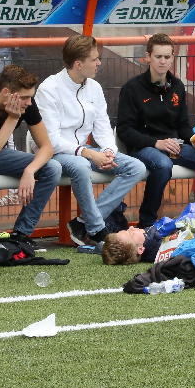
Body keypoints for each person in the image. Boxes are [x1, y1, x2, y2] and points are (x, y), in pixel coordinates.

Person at [36, 34, 147, 245]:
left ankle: (83, 222)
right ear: (79, 64)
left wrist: (108, 151)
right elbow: (51, 141)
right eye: (94, 59)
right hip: (55, 152)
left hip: (84, 150)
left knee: (136, 167)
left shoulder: (95, 87)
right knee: (81, 165)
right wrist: (88, 153)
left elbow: (103, 127)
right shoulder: (48, 89)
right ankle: (96, 229)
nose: (99, 63)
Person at [117, 33, 195, 229]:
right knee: (163, 164)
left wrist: (192, 137)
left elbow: (182, 125)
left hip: (173, 146)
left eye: (167, 57)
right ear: (148, 57)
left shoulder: (177, 86)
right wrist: (156, 143)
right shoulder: (132, 88)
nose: (163, 61)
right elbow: (125, 131)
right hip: (143, 146)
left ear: (172, 58)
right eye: (158, 56)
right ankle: (147, 223)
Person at [0, 64, 62, 239]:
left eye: (30, 97)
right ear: (6, 93)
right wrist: (12, 119)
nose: (29, 102)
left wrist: (29, 171)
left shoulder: (26, 104)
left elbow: (47, 147)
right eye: (24, 97)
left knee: (53, 168)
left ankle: (21, 233)